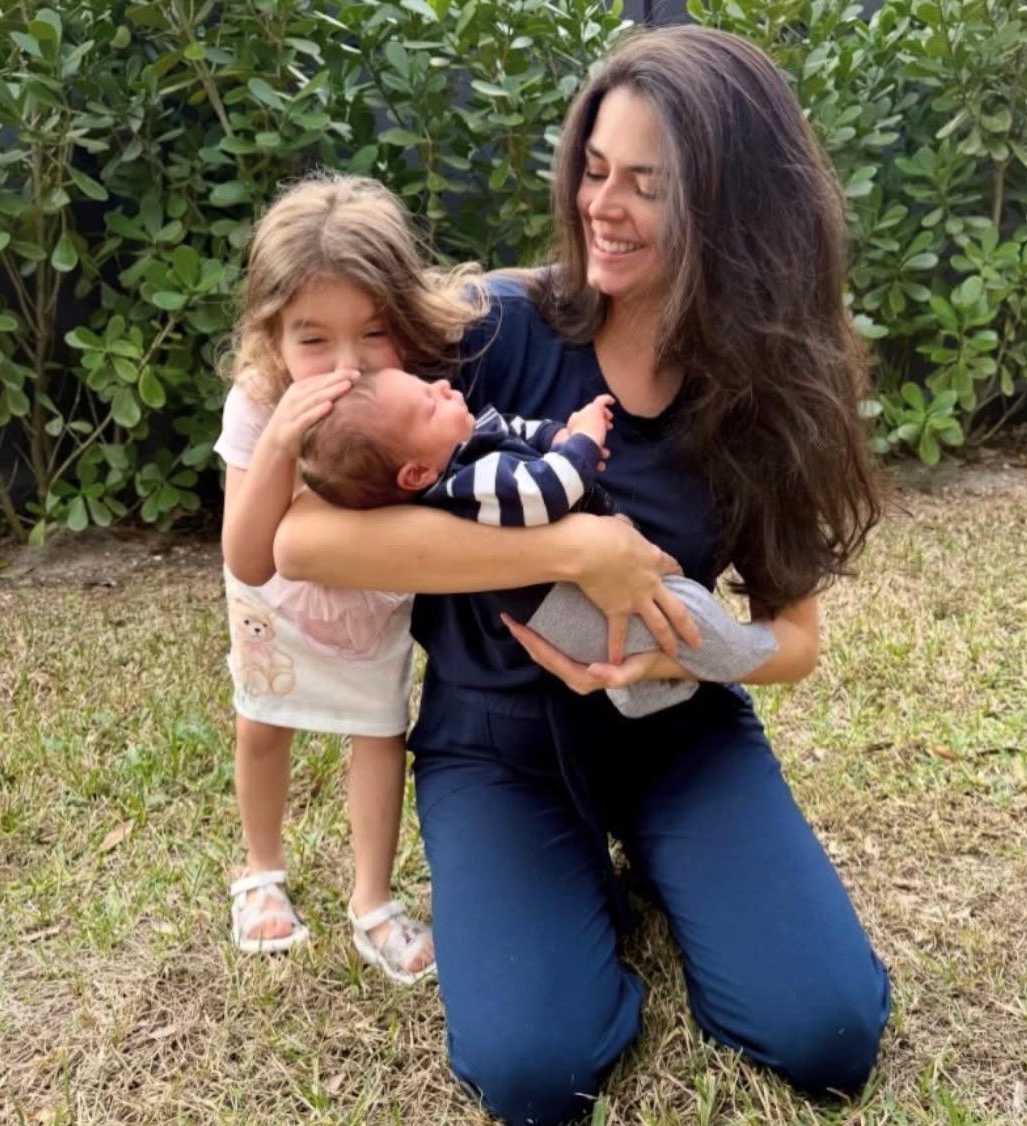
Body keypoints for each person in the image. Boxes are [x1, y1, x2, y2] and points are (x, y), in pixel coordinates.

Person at [274, 25, 890, 1125]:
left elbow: (795, 641)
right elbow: (309, 541)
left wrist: (685, 646)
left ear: (730, 209)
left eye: (644, 185)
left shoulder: (764, 395)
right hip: (495, 750)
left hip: (678, 733)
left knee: (829, 1032)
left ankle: (666, 860)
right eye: (593, 169)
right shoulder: (499, 331)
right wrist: (572, 548)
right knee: (534, 1070)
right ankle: (570, 895)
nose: (601, 204)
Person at [215, 172, 480, 983]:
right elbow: (246, 552)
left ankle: (373, 900)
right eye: (313, 339)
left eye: (372, 334)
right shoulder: (261, 403)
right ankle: (262, 872)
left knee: (378, 735)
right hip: (276, 610)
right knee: (264, 726)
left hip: (368, 609)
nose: (348, 364)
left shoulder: (418, 396)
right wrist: (282, 445)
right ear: (271, 334)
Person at [297, 367, 777, 718]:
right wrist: (583, 442)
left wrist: (559, 432)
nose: (443, 387)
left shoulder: (470, 447)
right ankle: (742, 649)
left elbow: (516, 430)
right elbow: (549, 492)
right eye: (429, 403)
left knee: (647, 626)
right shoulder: (466, 485)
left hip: (573, 592)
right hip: (561, 604)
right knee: (682, 617)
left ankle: (654, 691)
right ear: (417, 472)